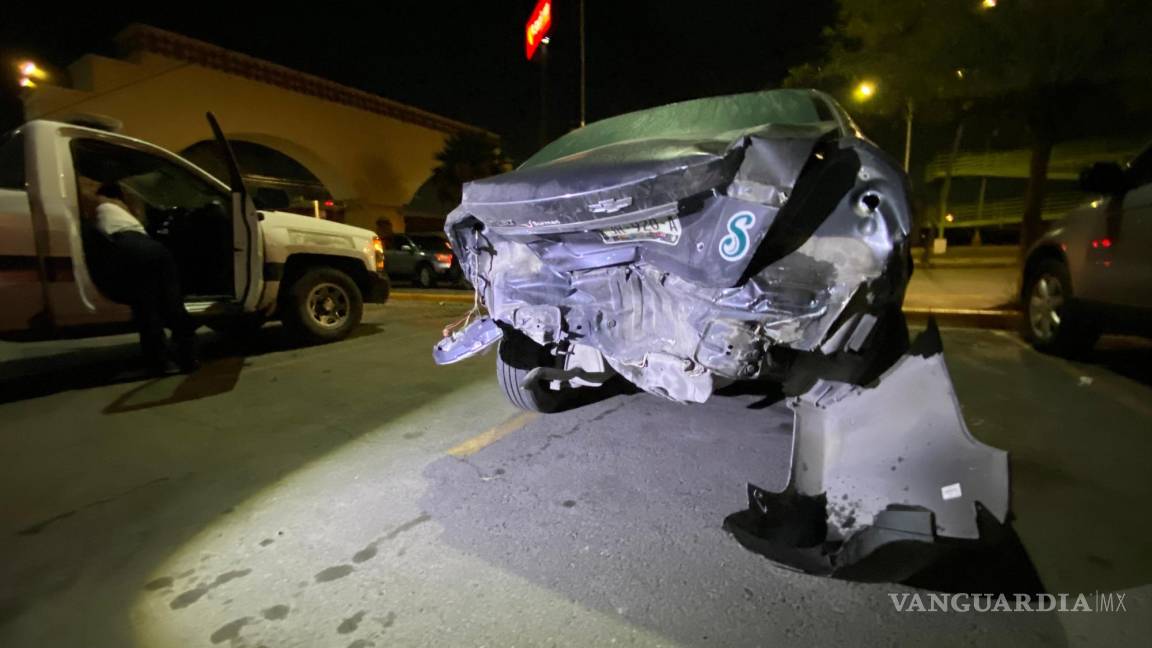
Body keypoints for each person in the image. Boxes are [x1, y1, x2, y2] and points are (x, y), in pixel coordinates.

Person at [93, 181, 199, 374]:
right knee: (173, 304)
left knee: (147, 309)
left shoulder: (97, 207)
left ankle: (161, 362)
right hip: (153, 248)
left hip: (127, 249)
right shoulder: (124, 209)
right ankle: (189, 356)